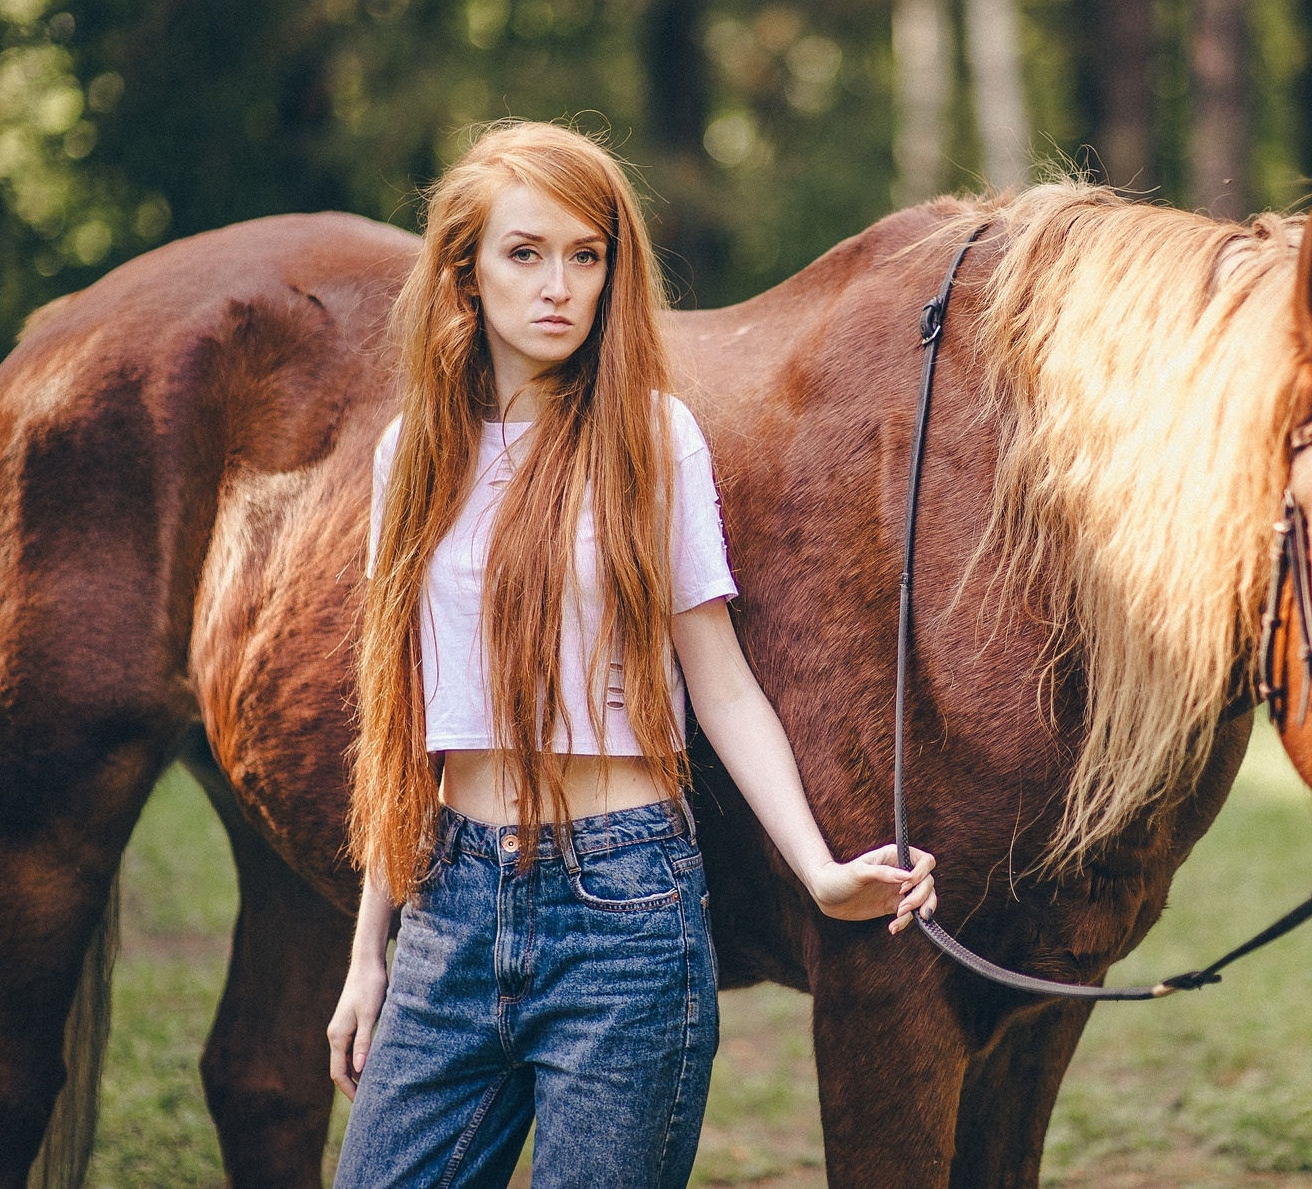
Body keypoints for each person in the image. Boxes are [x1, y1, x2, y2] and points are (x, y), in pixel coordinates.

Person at [326, 121, 937, 1189]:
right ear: (465, 272)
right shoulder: (410, 454)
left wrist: (819, 868)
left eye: (586, 254)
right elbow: (404, 716)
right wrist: (366, 951)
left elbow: (720, 680)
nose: (558, 285)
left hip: (623, 913)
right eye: (525, 253)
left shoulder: (651, 439)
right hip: (449, 907)